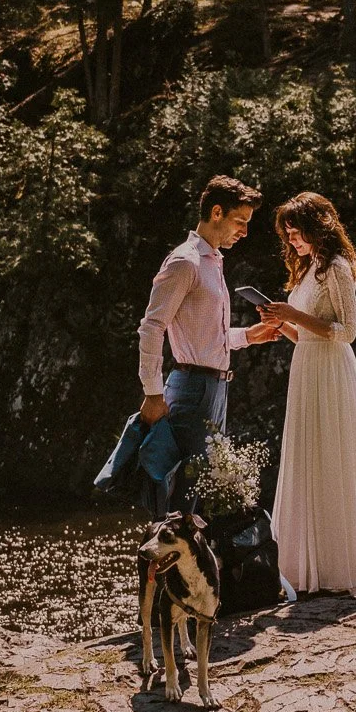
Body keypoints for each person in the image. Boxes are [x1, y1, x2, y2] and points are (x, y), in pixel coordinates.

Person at [138, 176, 282, 497]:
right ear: (217, 212)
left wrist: (249, 336)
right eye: (240, 221)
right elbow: (152, 326)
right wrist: (152, 392)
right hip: (191, 389)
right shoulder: (184, 262)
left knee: (201, 493)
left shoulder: (213, 261)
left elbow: (203, 336)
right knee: (184, 493)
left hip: (215, 388)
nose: (245, 232)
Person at [259, 192, 356, 595]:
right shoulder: (308, 270)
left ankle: (335, 572)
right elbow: (306, 335)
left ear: (317, 228)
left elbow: (347, 332)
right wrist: (282, 324)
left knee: (330, 460)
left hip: (331, 373)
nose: (292, 241)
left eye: (296, 232)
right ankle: (305, 570)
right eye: (287, 234)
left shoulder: (337, 268)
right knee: (308, 460)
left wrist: (293, 315)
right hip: (307, 367)